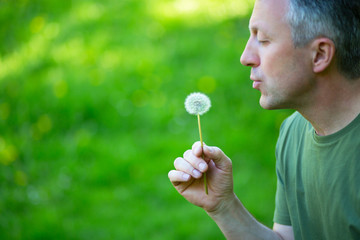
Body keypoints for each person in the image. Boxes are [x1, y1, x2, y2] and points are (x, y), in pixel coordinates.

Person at [168, 0, 360, 239]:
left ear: (320, 54)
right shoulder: (294, 130)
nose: (245, 57)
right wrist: (224, 207)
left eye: (263, 40)